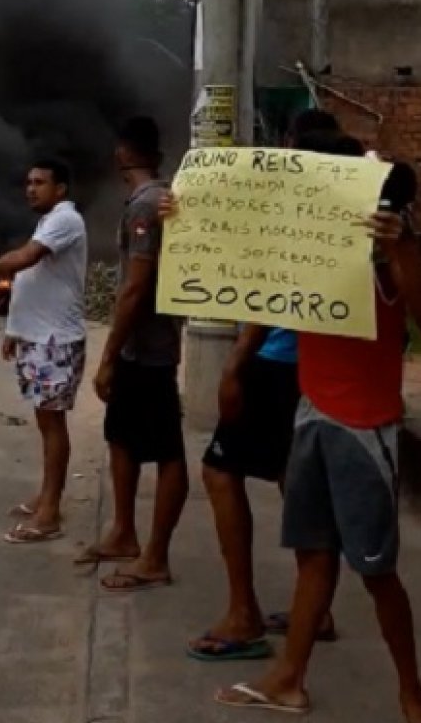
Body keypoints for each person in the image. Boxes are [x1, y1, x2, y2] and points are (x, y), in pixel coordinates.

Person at [215, 130, 421, 723]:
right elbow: (242, 254)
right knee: (314, 556)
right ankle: (290, 679)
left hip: (363, 429)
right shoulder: (314, 248)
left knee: (376, 573)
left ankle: (412, 696)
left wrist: (403, 251)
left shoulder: (386, 257)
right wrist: (187, 215)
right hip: (311, 414)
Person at [157, 108, 343, 659]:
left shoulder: (297, 205)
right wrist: (182, 215)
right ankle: (319, 607)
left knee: (219, 471)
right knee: (294, 475)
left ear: (290, 147)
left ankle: (244, 615)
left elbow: (268, 280)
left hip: (279, 360)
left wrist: (236, 364)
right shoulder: (343, 209)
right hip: (315, 362)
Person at [79, 116, 187, 592]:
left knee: (167, 452)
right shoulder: (159, 200)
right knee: (120, 437)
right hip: (141, 352)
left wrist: (108, 354)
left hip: (150, 351)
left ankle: (156, 557)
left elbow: (135, 288)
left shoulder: (146, 206)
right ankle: (123, 532)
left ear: (123, 153)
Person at [0, 159, 88, 544]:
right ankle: (45, 497)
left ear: (60, 188)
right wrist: (15, 330)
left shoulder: (65, 220)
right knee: (45, 422)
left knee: (52, 423)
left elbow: (25, 260)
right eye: (28, 182)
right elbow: (33, 279)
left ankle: (49, 514)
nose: (30, 188)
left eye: (40, 182)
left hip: (55, 341)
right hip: (38, 338)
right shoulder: (49, 220)